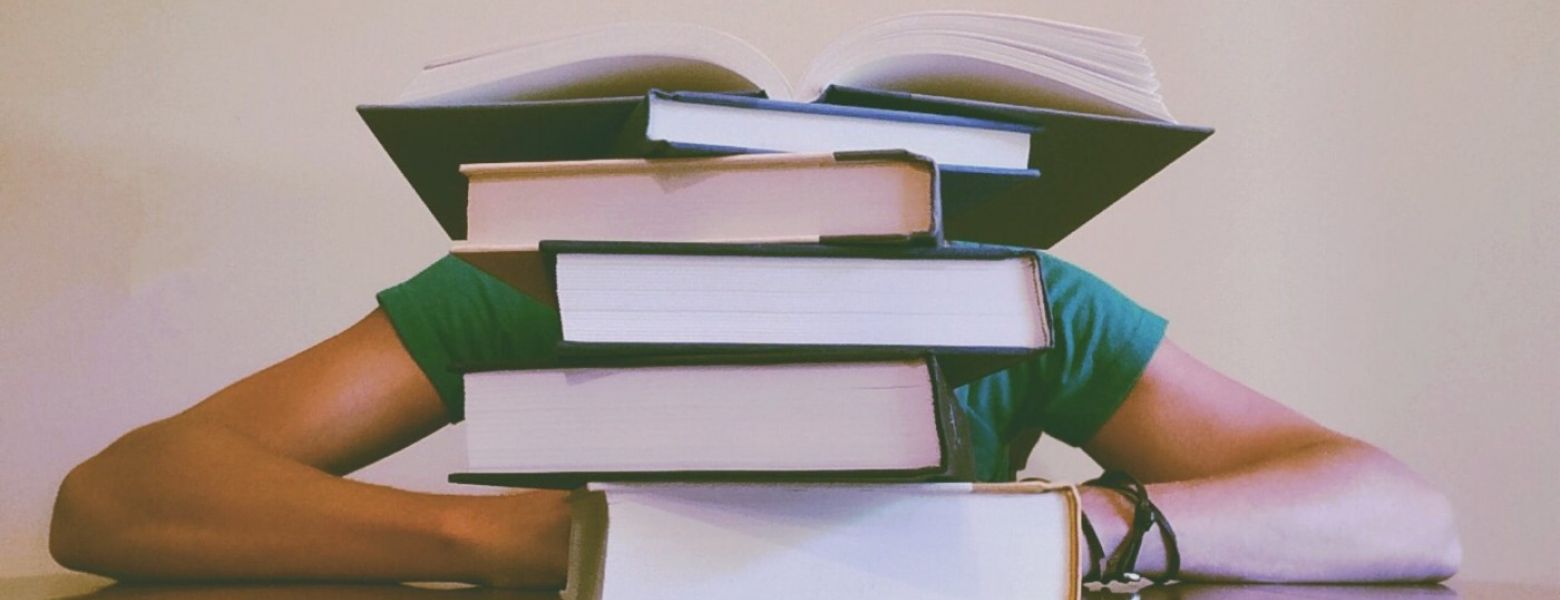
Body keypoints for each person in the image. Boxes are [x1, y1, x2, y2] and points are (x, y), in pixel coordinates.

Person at [48, 251, 1460, 588]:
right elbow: (116, 499)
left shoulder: (1014, 303)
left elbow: (1401, 512)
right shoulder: (532, 288)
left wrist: (1073, 534)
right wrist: (536, 544)